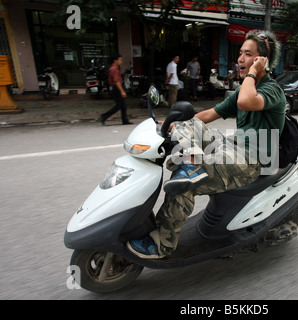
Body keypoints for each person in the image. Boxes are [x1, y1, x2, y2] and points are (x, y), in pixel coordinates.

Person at [127, 30, 285, 259]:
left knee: (182, 185)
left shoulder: (272, 90)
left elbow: (246, 101)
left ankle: (163, 244)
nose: (240, 59)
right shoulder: (244, 88)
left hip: (254, 159)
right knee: (188, 124)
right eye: (240, 53)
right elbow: (210, 113)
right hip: (232, 146)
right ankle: (191, 164)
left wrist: (253, 73)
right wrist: (172, 124)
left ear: (262, 61)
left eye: (248, 54)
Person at [99, 53, 132, 125]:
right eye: (120, 60)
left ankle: (125, 120)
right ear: (115, 61)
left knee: (123, 106)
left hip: (116, 88)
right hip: (116, 88)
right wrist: (122, 91)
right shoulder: (114, 69)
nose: (121, 62)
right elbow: (117, 81)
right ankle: (104, 116)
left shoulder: (114, 68)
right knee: (119, 105)